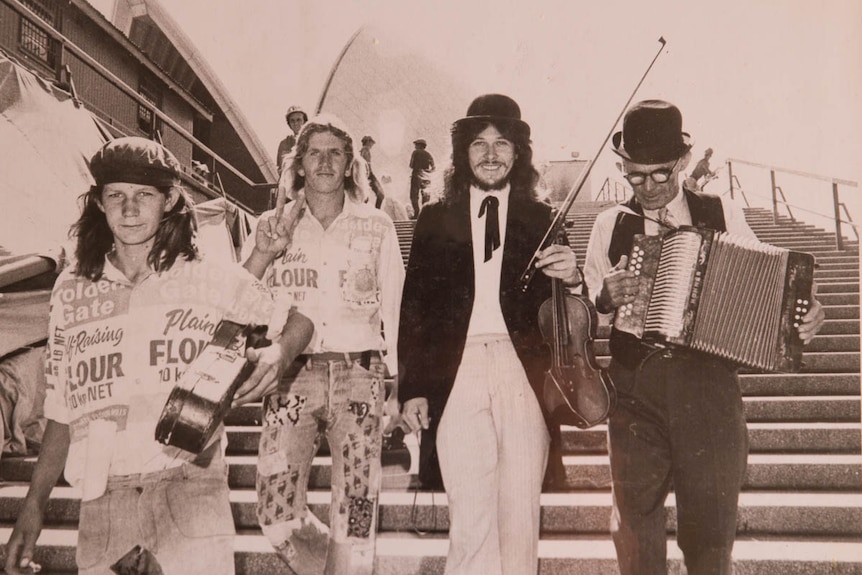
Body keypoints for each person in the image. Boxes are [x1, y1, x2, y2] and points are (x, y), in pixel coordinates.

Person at [4, 137, 312, 575]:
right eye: (116, 196)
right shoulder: (71, 290)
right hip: (104, 501)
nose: (129, 209)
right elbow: (61, 409)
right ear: (99, 202)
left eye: (144, 195)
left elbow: (300, 320)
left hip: (190, 489)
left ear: (169, 200)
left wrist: (278, 355)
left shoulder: (206, 275)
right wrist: (32, 509)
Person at [583, 100, 826, 575]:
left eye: (660, 174)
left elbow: (773, 285)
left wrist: (807, 312)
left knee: (712, 533)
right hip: (634, 390)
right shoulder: (608, 224)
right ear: (621, 168)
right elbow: (583, 321)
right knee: (633, 533)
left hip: (709, 390)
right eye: (636, 177)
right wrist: (603, 298)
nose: (649, 188)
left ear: (682, 164)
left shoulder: (722, 212)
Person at [398, 94, 581, 575]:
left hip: (522, 372)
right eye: (479, 143)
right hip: (457, 372)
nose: (491, 153)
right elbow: (413, 305)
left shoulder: (545, 220)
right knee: (470, 513)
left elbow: (571, 320)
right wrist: (413, 387)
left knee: (520, 511)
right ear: (462, 154)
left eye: (502, 143)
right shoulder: (435, 218)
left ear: (519, 153)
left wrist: (573, 277)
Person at [244, 114, 404, 575]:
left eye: (336, 152)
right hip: (291, 379)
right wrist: (261, 254)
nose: (326, 162)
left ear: (350, 163)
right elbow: (239, 296)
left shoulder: (377, 226)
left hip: (360, 377)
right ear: (299, 163)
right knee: (275, 517)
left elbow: (394, 306)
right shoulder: (271, 227)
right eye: (315, 152)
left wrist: (397, 383)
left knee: (357, 511)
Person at [277, 105, 308, 174]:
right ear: (289, 124)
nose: (296, 123)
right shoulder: (284, 144)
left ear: (304, 121)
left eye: (298, 120)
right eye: (292, 121)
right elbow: (280, 168)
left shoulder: (311, 141)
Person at [408, 138, 435, 218]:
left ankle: (417, 213)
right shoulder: (428, 154)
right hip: (426, 176)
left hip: (416, 174)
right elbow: (433, 167)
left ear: (419, 145)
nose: (415, 146)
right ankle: (424, 214)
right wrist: (427, 172)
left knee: (414, 195)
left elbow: (411, 165)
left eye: (416, 145)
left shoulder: (415, 153)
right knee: (425, 195)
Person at [360, 135, 386, 209]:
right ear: (368, 142)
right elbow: (366, 164)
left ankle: (367, 210)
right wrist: (368, 174)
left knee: (366, 196)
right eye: (371, 143)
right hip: (368, 175)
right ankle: (376, 211)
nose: (372, 145)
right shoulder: (365, 150)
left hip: (365, 175)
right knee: (381, 194)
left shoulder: (362, 150)